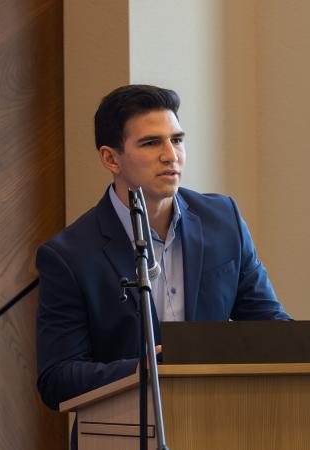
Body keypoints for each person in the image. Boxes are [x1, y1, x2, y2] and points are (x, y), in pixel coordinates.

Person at [36, 84, 291, 412]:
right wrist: (142, 371)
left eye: (177, 140)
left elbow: (270, 325)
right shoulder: (69, 255)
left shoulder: (224, 220)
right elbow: (57, 378)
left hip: (219, 422)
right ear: (111, 158)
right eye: (151, 142)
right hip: (123, 433)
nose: (171, 155)